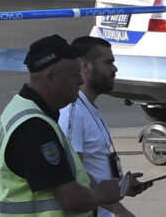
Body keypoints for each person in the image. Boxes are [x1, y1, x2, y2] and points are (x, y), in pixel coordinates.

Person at [0, 36, 101, 217]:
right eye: (74, 75)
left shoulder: (22, 109)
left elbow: (60, 174)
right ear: (51, 78)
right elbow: (71, 199)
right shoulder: (33, 127)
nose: (80, 81)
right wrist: (102, 195)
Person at [59, 37, 152, 217]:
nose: (114, 69)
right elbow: (74, 173)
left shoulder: (88, 107)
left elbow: (93, 166)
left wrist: (121, 186)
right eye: (108, 63)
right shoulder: (72, 112)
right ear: (85, 67)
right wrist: (120, 211)